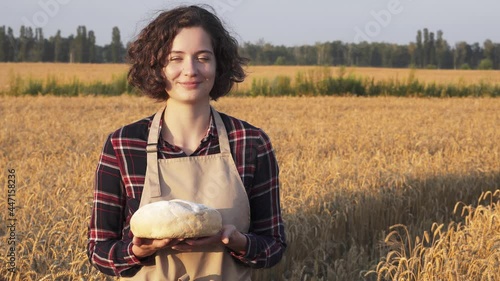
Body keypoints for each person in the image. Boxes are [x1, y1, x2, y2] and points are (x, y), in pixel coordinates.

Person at [87, 5, 286, 280]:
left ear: (219, 65)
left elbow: (273, 246)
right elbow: (99, 250)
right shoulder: (123, 144)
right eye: (175, 58)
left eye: (203, 58)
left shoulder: (250, 143)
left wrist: (238, 242)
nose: (190, 70)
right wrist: (137, 252)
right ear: (157, 66)